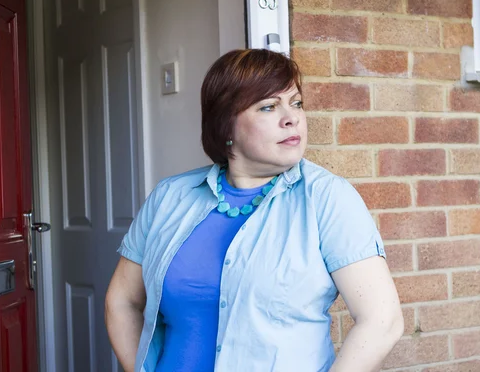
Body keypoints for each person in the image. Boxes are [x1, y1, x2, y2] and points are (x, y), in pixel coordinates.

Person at [105, 49, 404, 372]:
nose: (291, 117)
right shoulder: (170, 197)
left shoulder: (327, 198)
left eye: (296, 103)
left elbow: (381, 320)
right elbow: (122, 301)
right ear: (226, 126)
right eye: (268, 107)